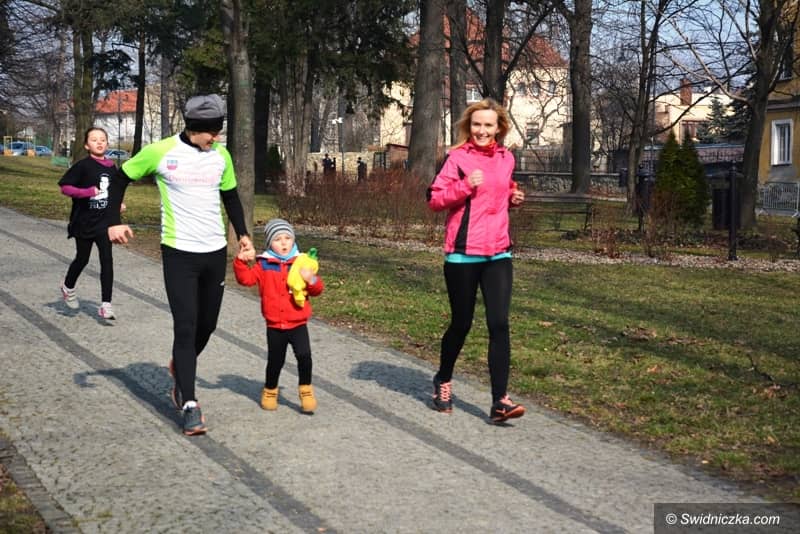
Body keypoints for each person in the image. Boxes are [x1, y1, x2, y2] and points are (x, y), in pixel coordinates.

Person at [106, 94, 254, 436]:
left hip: (214, 252)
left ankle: (180, 364)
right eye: (212, 132)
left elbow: (230, 196)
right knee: (185, 327)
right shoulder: (161, 151)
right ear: (194, 128)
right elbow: (120, 177)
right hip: (178, 253)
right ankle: (189, 403)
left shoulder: (221, 156)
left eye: (218, 131)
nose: (216, 137)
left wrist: (244, 235)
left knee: (208, 325)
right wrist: (113, 220)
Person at [426, 98, 527, 424]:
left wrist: (513, 198)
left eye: (488, 125)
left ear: (499, 128)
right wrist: (464, 186)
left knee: (499, 323)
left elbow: (501, 193)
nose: (482, 130)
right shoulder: (457, 158)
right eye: (477, 125)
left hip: (498, 252)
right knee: (462, 323)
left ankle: (500, 401)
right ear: (469, 127)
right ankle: (443, 378)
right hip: (462, 254)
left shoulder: (506, 159)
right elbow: (435, 199)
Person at [233, 219, 324, 414]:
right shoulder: (264, 264)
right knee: (275, 360)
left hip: (298, 322)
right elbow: (246, 279)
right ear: (269, 244)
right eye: (277, 239)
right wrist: (240, 262)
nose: (283, 243)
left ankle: (306, 391)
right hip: (275, 325)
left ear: (293, 240)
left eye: (287, 238)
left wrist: (310, 279)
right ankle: (270, 391)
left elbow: (317, 289)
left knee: (304, 356)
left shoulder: (301, 263)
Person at [58, 127, 123, 319]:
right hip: (84, 222)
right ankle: (68, 286)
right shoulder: (83, 166)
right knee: (82, 258)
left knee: (107, 260)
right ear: (87, 145)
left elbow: (114, 191)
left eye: (102, 139)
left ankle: (106, 305)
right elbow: (65, 187)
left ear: (107, 143)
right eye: (94, 140)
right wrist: (87, 192)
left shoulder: (112, 167)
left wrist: (117, 204)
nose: (99, 142)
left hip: (104, 223)